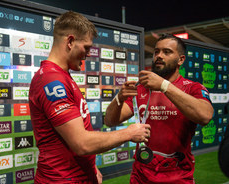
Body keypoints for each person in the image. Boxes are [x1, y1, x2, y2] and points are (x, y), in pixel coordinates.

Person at [29, 11, 151, 184]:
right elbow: (82, 143)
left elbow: (72, 138)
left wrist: (90, 165)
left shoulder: (61, 76)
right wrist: (129, 132)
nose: (87, 54)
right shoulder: (51, 79)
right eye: (86, 47)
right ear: (70, 41)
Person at [105, 34, 214, 184]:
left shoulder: (192, 87)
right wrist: (118, 98)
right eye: (157, 52)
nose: (159, 56)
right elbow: (110, 121)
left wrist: (163, 86)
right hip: (141, 176)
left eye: (167, 52)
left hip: (178, 177)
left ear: (181, 60)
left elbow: (205, 116)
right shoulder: (141, 88)